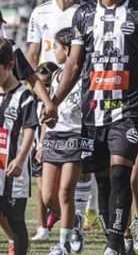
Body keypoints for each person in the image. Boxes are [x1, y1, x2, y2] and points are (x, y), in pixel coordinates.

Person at [51, 0, 138, 255]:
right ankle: (120, 240)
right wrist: (53, 102)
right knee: (102, 181)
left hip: (128, 110)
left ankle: (114, 245)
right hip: (92, 113)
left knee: (120, 174)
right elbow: (74, 66)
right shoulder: (84, 15)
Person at [40, 28, 84, 255]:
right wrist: (41, 142)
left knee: (65, 192)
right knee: (48, 196)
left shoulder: (83, 77)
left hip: (75, 137)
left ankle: (64, 245)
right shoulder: (55, 77)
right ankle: (74, 220)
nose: (53, 51)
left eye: (56, 47)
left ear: (68, 50)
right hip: (53, 138)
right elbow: (46, 113)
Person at [0, 39, 39, 255]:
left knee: (15, 220)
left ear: (9, 65)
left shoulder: (24, 96)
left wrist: (21, 158)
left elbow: (29, 130)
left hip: (15, 169)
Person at [26, 0, 86, 66]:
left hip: (76, 81)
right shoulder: (40, 12)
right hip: (47, 80)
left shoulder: (86, 13)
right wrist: (34, 82)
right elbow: (32, 55)